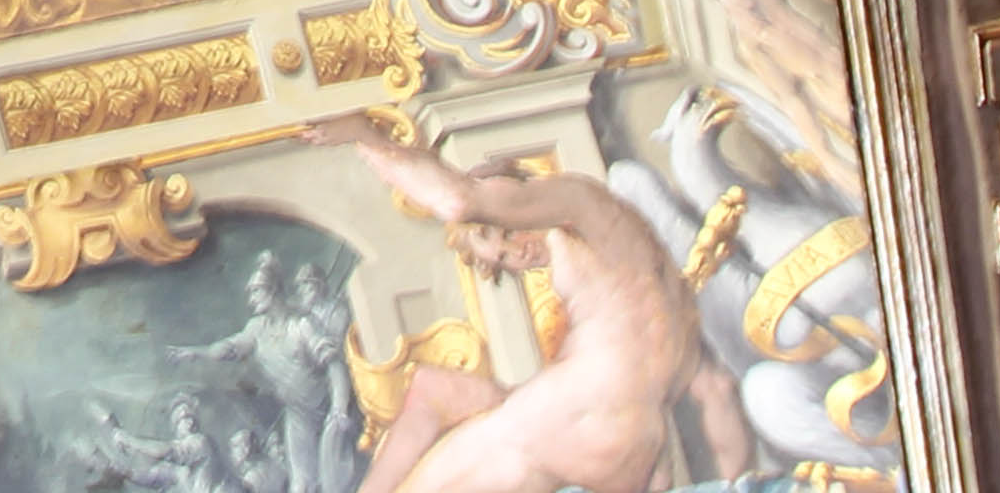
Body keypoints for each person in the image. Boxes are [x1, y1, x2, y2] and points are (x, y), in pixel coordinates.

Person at [303, 122, 751, 493]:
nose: (516, 254)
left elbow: (458, 201)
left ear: (513, 198)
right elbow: (716, 389)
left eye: (502, 233)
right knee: (431, 387)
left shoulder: (580, 202)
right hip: (636, 446)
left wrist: (368, 138)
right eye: (503, 259)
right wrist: (734, 484)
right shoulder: (649, 274)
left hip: (576, 418)